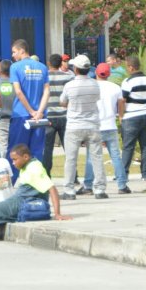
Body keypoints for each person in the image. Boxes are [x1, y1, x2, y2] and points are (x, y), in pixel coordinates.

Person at [59, 55, 108, 200]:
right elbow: (96, 99)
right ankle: (99, 189)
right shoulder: (95, 84)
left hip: (74, 126)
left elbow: (63, 102)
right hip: (92, 124)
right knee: (97, 157)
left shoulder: (69, 85)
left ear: (75, 69)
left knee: (71, 159)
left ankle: (69, 190)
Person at [82, 63, 130, 194]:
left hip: (94, 126)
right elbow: (121, 104)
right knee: (115, 156)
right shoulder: (115, 87)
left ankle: (88, 186)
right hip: (110, 125)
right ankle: (122, 185)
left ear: (96, 73)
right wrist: (121, 117)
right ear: (109, 74)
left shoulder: (91, 86)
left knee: (91, 157)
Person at [7, 39, 50, 180]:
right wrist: (39, 112)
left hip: (21, 115)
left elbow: (18, 91)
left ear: (22, 50)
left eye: (14, 52)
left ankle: (13, 182)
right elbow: (46, 91)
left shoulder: (15, 67)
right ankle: (35, 182)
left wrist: (31, 111)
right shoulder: (42, 67)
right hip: (40, 117)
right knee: (36, 151)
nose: (13, 55)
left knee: (16, 151)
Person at [119, 57, 146, 182]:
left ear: (131, 67)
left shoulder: (127, 82)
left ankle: (124, 174)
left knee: (128, 146)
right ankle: (145, 175)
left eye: (127, 67)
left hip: (132, 116)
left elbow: (122, 100)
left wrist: (121, 116)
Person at [43, 53, 75, 176]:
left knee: (47, 148)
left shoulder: (44, 77)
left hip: (49, 116)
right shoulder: (68, 78)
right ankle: (73, 175)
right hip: (64, 116)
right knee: (68, 148)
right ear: (61, 63)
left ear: (48, 63)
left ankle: (47, 175)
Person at [0, 59, 14, 159]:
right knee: (15, 147)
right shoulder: (16, 85)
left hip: (0, 120)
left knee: (3, 148)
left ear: (0, 70)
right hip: (15, 119)